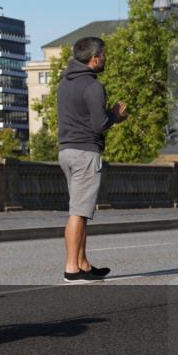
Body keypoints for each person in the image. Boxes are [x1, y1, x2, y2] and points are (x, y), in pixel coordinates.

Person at [57, 36, 128, 282]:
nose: (105, 59)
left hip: (66, 151)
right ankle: (71, 269)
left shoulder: (64, 83)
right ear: (95, 58)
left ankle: (83, 263)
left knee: (80, 210)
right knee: (79, 212)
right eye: (104, 55)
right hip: (86, 152)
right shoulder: (93, 86)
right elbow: (99, 125)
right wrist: (115, 116)